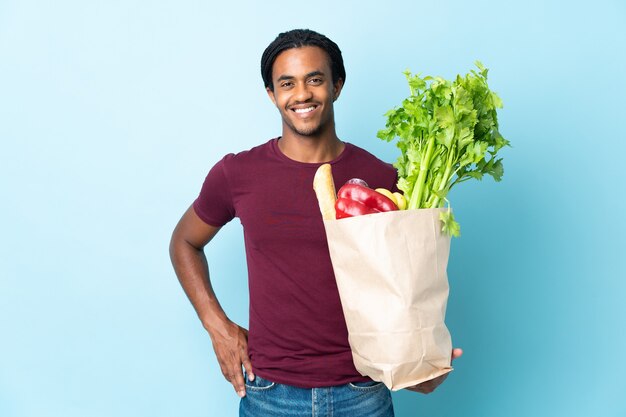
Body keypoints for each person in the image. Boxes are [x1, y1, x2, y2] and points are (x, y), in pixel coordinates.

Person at [169, 28, 462, 417]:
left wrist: (418, 358)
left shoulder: (384, 178)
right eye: (287, 83)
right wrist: (217, 325)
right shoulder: (238, 174)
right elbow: (184, 242)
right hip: (269, 394)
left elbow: (405, 283)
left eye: (315, 79)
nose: (302, 94)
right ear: (272, 95)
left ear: (337, 86)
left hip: (363, 392)